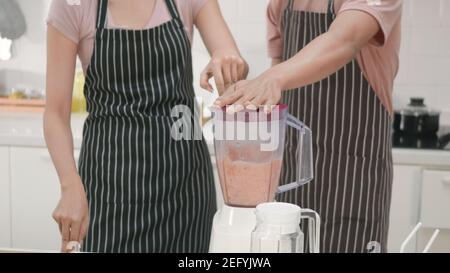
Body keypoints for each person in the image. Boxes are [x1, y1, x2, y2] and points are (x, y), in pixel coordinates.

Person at [45, 0, 248, 253]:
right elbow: (55, 112)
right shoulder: (73, 5)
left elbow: (232, 61)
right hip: (110, 186)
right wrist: (70, 185)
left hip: (187, 188)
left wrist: (228, 62)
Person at [215, 0, 402, 252]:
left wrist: (271, 79)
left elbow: (344, 40)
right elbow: (280, 82)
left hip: (355, 180)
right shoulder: (282, 3)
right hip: (292, 177)